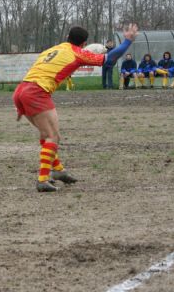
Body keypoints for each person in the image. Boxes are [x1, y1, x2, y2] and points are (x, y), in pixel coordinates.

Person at [13, 24, 138, 192]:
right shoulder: (77, 53)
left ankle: (58, 171)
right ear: (84, 43)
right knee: (53, 136)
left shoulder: (53, 49)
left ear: (68, 36)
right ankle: (42, 179)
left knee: (47, 135)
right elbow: (109, 59)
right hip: (37, 91)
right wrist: (127, 41)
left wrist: (21, 103)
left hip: (22, 89)